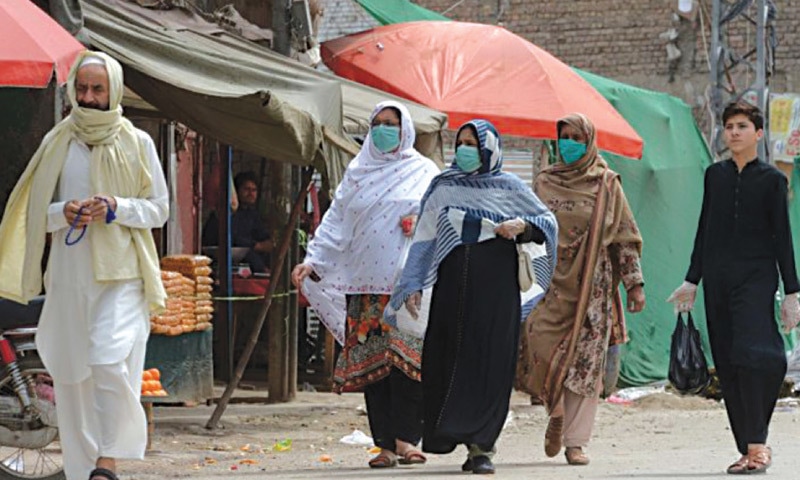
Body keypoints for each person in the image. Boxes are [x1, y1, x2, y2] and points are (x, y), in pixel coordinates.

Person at [0, 51, 169, 480]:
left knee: (108, 361)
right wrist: (65, 211)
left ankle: (109, 457)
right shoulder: (58, 142)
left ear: (113, 90)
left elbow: (159, 210)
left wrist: (118, 206)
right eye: (82, 88)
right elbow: (38, 210)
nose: (89, 97)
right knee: (73, 376)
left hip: (123, 275)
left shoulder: (138, 143)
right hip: (70, 274)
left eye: (97, 89)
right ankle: (84, 470)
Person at [385, 119, 558, 475]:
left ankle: (482, 447)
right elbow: (424, 240)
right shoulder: (443, 186)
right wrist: (414, 283)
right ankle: (450, 434)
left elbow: (546, 223)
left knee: (490, 364)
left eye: (472, 144)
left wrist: (522, 226)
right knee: (445, 360)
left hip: (496, 293)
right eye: (460, 143)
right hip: (452, 292)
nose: (464, 150)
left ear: (489, 149)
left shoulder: (510, 187)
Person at [291, 101, 440, 469]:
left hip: (408, 287)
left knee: (409, 364)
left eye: (390, 123)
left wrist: (417, 218)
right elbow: (335, 223)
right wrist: (313, 261)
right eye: (376, 123)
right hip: (365, 286)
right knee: (375, 368)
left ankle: (408, 440)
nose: (382, 129)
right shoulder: (357, 172)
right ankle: (384, 445)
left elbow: (440, 217)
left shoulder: (424, 171)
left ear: (404, 129)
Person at [667, 100, 800, 475]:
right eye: (729, 127)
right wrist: (692, 280)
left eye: (742, 126)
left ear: (758, 134)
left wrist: (792, 292)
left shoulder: (773, 181)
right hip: (718, 279)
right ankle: (749, 447)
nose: (734, 133)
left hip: (757, 278)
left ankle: (757, 444)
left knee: (758, 355)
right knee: (727, 361)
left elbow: (783, 239)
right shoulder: (715, 175)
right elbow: (704, 229)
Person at [515, 113, 645, 466]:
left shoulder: (607, 183)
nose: (569, 143)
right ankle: (554, 409)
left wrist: (634, 285)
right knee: (537, 342)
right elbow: (530, 226)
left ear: (590, 142)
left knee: (585, 366)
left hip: (593, 288)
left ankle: (575, 442)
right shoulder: (544, 181)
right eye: (564, 136)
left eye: (576, 137)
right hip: (549, 283)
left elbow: (623, 237)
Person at [203, 171, 273, 272]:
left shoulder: (252, 214)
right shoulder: (225, 213)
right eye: (246, 189)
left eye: (254, 190)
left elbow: (263, 236)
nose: (251, 194)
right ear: (237, 191)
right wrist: (256, 246)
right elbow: (234, 240)